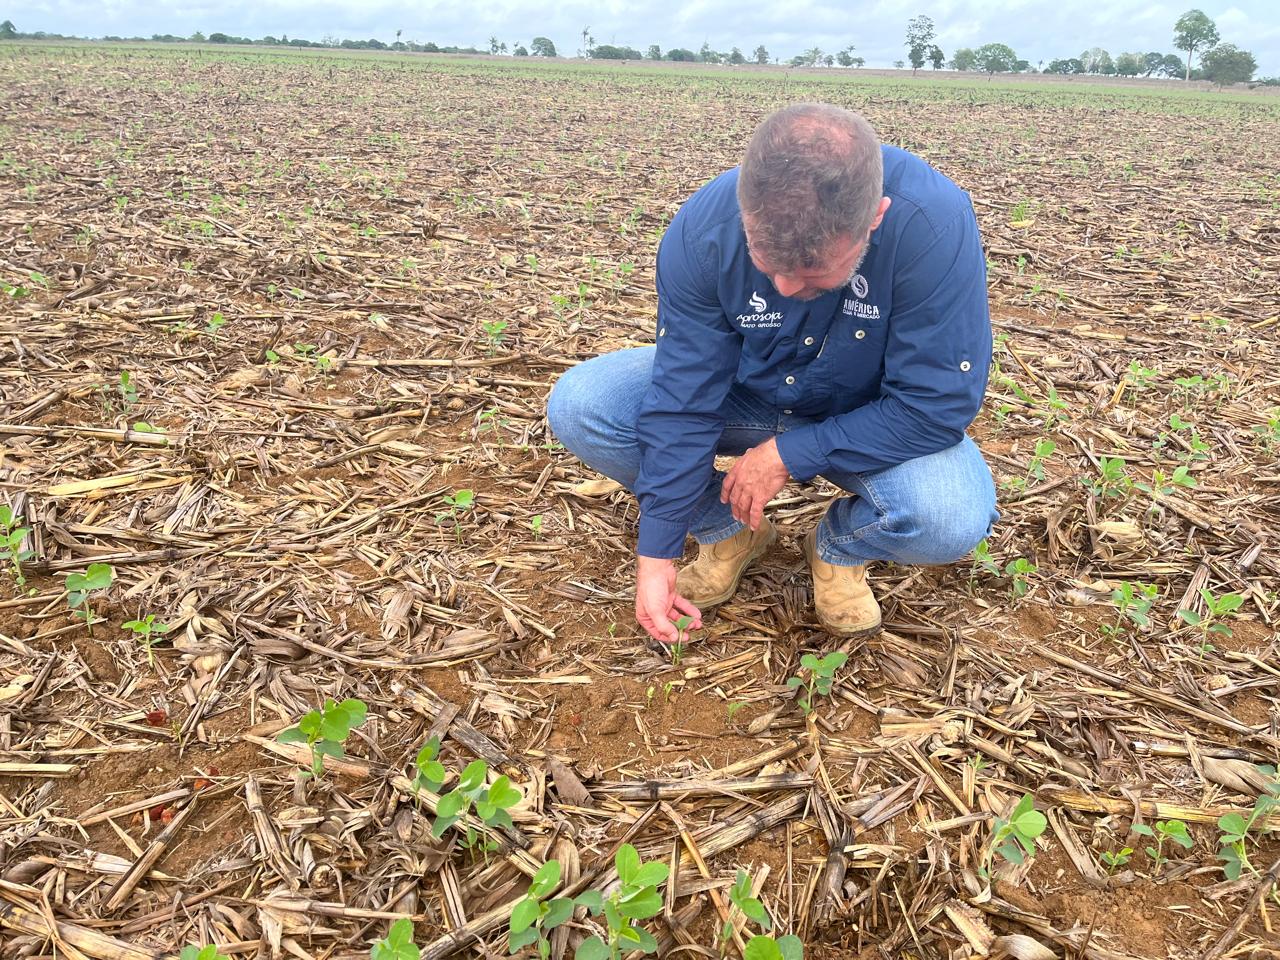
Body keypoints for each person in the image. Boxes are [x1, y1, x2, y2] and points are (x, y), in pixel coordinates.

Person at [547, 102, 998, 647]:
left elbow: (934, 406)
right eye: (767, 263)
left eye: (813, 275)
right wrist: (658, 553)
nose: (784, 288)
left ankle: (838, 548)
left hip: (867, 411)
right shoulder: (705, 230)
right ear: (745, 212)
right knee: (585, 405)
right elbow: (685, 396)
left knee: (949, 518)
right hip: (747, 391)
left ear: (874, 219)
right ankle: (729, 532)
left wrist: (789, 453)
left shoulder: (931, 224)